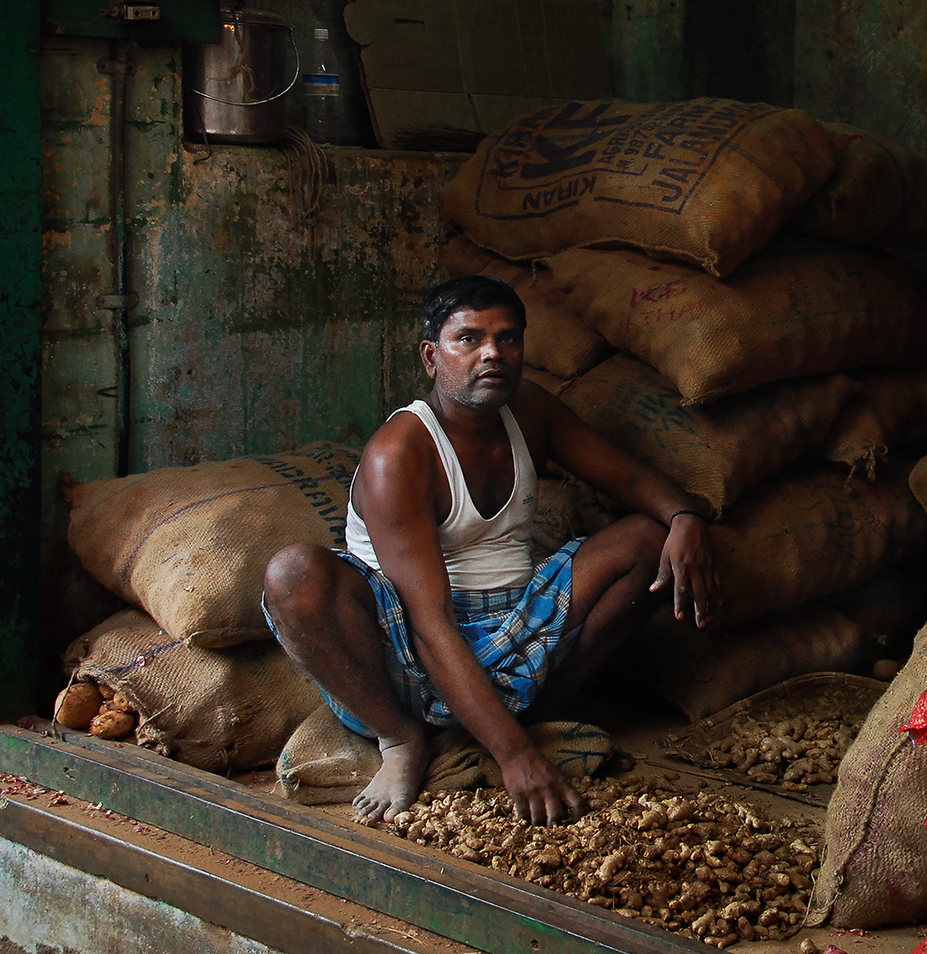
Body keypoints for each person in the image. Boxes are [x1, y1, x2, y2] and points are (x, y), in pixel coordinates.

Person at [262, 275, 719, 828]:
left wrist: (684, 515)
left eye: (508, 340)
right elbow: (430, 625)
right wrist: (515, 759)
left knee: (650, 541)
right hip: (410, 650)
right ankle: (402, 739)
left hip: (517, 631)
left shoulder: (531, 412)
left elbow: (625, 475)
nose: (492, 354)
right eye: (469, 339)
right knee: (293, 573)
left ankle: (531, 719)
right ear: (432, 357)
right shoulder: (401, 452)